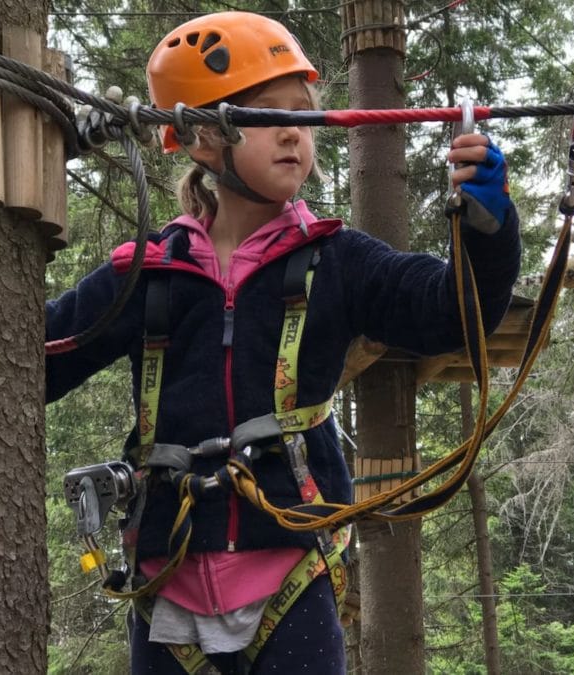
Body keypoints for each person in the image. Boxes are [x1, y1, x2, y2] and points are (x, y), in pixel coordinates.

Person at [45, 11, 520, 674]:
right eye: (270, 116)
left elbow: (453, 312)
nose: (296, 132)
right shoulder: (146, 273)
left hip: (290, 580)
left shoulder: (338, 261)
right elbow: (30, 363)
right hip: (165, 586)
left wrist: (485, 229)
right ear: (204, 135)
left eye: (305, 114)